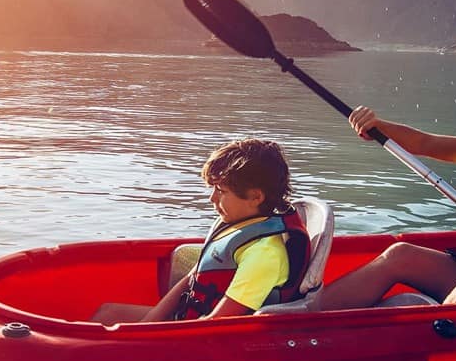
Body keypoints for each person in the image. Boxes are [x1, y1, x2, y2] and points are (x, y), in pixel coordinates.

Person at [92, 138, 310, 324]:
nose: (212, 198)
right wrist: (149, 321)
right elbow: (192, 276)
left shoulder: (263, 253)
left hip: (210, 336)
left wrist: (148, 336)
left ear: (256, 197)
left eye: (221, 191)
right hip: (189, 317)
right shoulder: (237, 226)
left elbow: (218, 322)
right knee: (108, 313)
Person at [309, 106, 456, 310]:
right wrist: (378, 127)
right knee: (401, 256)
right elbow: (426, 143)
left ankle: (427, 335)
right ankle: (299, 321)